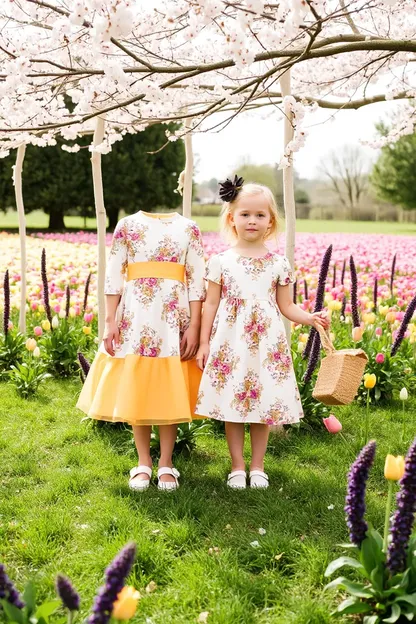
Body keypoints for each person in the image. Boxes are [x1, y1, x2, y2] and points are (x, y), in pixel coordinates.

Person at [195, 177, 329, 490]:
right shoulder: (220, 261)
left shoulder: (279, 263)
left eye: (259, 215)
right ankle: (237, 466)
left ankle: (257, 466)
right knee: (234, 405)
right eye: (245, 214)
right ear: (232, 218)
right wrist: (204, 343)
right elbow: (210, 304)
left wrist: (310, 318)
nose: (252, 220)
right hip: (230, 342)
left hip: (266, 343)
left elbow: (286, 305)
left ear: (270, 222)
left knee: (261, 404)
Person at [77, 210, 205, 491]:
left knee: (168, 388)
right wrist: (110, 321)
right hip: (136, 316)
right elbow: (113, 275)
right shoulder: (127, 225)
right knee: (139, 387)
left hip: (173, 317)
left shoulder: (189, 228)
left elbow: (197, 281)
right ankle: (143, 461)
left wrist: (194, 325)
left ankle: (167, 463)